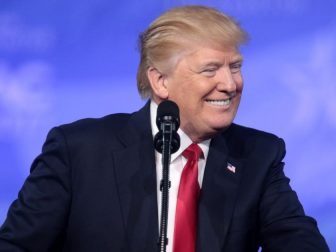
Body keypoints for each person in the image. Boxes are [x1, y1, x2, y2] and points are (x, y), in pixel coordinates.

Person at [0, 5, 330, 252]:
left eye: (235, 67)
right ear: (160, 81)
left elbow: (298, 241)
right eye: (210, 69)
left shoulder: (257, 155)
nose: (230, 84)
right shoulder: (79, 150)